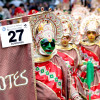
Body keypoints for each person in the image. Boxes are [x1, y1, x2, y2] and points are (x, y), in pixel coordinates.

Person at [30, 12, 83, 100]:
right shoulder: (31, 63)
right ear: (38, 43)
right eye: (46, 43)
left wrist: (75, 96)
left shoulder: (57, 59)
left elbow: (67, 81)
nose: (49, 47)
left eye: (52, 43)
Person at [56, 14, 86, 100]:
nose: (64, 40)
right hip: (60, 80)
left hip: (73, 81)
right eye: (63, 37)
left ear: (70, 38)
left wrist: (86, 67)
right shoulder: (54, 50)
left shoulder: (74, 49)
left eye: (67, 37)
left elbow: (79, 66)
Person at [79, 15, 100, 100]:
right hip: (85, 73)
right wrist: (83, 65)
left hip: (97, 74)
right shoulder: (82, 45)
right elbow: (80, 59)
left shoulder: (98, 45)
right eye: (89, 33)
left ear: (97, 33)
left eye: (93, 33)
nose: (91, 35)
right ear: (86, 33)